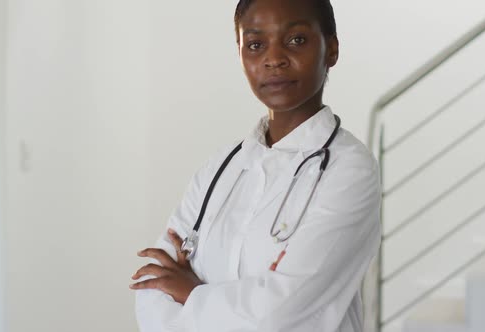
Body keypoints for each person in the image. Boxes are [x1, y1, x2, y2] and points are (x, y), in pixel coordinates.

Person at [129, 0, 381, 331]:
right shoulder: (220, 168)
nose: (273, 59)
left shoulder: (350, 170)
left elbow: (279, 313)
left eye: (296, 40)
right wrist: (241, 301)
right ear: (240, 53)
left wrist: (190, 291)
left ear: (331, 50)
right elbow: (151, 290)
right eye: (255, 44)